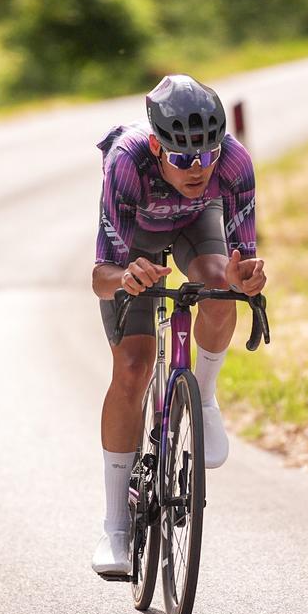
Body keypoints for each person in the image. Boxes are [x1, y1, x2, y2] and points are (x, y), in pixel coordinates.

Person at [89, 74, 267, 578]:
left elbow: (244, 264)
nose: (198, 168)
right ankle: (116, 529)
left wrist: (247, 279)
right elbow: (100, 277)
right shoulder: (126, 161)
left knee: (219, 284)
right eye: (185, 158)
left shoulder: (233, 163)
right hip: (135, 242)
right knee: (133, 366)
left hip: (195, 224)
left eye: (207, 156)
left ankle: (204, 397)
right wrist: (127, 275)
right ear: (155, 146)